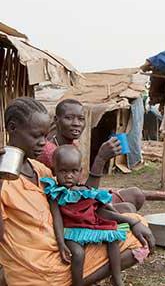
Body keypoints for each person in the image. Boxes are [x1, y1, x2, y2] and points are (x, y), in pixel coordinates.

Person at [0, 97, 155, 285]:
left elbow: (81, 201)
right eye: (36, 136)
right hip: (37, 271)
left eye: (45, 136)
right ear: (12, 127)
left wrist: (130, 220)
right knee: (134, 240)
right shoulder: (4, 182)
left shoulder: (38, 169)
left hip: (62, 253)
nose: (43, 143)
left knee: (138, 224)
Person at [42, 145, 139, 286]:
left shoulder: (85, 190)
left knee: (113, 239)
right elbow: (57, 219)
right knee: (78, 254)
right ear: (54, 171)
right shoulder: (56, 193)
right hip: (71, 231)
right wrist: (61, 243)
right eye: (63, 171)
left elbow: (99, 208)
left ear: (80, 172)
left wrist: (122, 218)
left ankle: (117, 279)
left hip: (91, 226)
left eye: (74, 171)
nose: (69, 175)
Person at [37, 99, 145, 213]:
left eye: (81, 119)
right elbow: (80, 196)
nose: (76, 123)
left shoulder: (72, 145)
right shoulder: (50, 152)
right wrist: (100, 159)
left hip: (81, 197)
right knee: (128, 207)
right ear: (56, 120)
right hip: (71, 208)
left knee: (136, 194)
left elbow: (81, 186)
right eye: (69, 118)